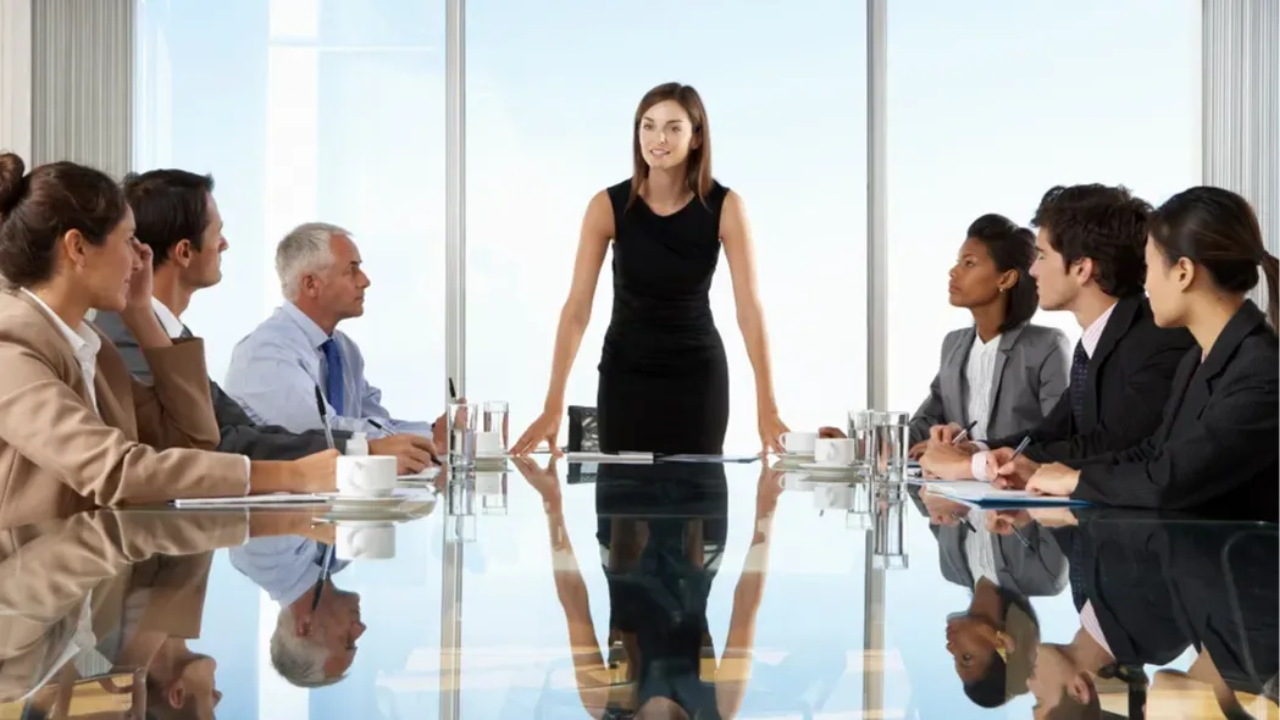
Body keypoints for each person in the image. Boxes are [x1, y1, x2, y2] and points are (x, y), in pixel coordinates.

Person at [0, 153, 335, 527]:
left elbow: (193, 441)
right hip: (27, 577)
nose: (140, 259)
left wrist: (142, 316)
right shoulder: (10, 348)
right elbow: (114, 472)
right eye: (129, 240)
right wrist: (291, 476)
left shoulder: (92, 346)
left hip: (91, 574)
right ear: (78, 248)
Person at [510, 82, 788, 457]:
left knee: (697, 502)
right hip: (625, 376)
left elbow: (749, 311)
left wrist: (767, 409)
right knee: (623, 502)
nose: (659, 137)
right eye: (648, 125)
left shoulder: (726, 208)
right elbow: (576, 310)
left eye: (674, 127)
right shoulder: (606, 206)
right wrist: (552, 405)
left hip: (698, 379)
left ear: (695, 137)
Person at [95, 169, 437, 473]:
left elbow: (243, 431)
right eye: (218, 233)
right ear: (184, 252)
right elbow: (210, 445)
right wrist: (362, 451)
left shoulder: (172, 333)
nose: (225, 244)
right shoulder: (126, 335)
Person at [995, 187, 1280, 511]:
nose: (1145, 285)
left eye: (1150, 267)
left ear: (1183, 273)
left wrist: (1075, 481)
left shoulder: (1262, 369)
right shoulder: (1197, 359)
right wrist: (1052, 472)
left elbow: (1169, 480)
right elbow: (1151, 453)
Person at [920, 184, 1195, 481]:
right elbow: (1050, 432)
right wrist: (974, 449)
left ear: (1082, 269)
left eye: (1041, 256)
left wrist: (979, 465)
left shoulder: (1158, 338)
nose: (1033, 271)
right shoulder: (1094, 341)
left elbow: (1108, 445)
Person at [821, 214, 1069, 457]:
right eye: (958, 262)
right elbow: (926, 423)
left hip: (1017, 490)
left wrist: (976, 452)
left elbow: (1058, 436)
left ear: (1006, 278)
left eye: (969, 263)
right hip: (957, 489)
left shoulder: (1047, 346)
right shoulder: (955, 344)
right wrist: (860, 447)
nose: (953, 271)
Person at [224, 222, 447, 450]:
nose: (364, 281)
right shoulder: (265, 352)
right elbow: (324, 435)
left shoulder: (343, 348)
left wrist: (432, 432)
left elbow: (375, 423)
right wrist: (430, 437)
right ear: (311, 284)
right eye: (352, 269)